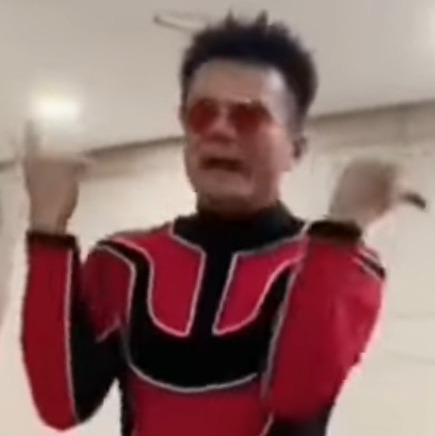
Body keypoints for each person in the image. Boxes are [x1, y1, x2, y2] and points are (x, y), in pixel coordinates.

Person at [21, 14, 422, 436]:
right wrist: (47, 225)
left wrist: (342, 229)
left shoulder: (340, 263)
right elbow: (60, 405)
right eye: (202, 114)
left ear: (295, 149)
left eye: (249, 117)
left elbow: (298, 395)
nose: (219, 129)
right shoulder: (125, 261)